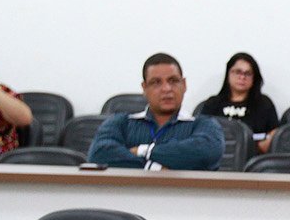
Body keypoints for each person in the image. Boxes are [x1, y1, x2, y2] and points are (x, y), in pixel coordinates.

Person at [88, 53, 224, 170]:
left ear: (184, 84)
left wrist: (143, 151)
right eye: (156, 82)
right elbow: (100, 154)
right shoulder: (121, 123)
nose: (166, 88)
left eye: (173, 81)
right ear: (144, 88)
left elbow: (205, 153)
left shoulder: (204, 125)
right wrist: (154, 168)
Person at [197, 52, 279, 154]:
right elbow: (199, 133)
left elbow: (275, 133)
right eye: (238, 72)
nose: (242, 77)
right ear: (228, 74)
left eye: (248, 73)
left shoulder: (264, 104)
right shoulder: (213, 103)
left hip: (252, 159)